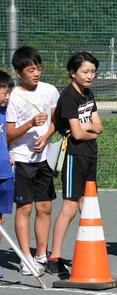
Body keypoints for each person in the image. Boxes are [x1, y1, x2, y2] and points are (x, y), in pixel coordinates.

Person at [46, 52, 104, 275]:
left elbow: (98, 126)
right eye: (85, 72)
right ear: (73, 72)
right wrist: (90, 129)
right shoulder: (69, 96)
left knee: (88, 206)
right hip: (73, 156)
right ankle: (55, 257)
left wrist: (87, 127)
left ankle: (88, 251)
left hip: (90, 156)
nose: (90, 76)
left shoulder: (88, 94)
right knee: (69, 207)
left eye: (93, 72)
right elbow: (78, 135)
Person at [6, 46, 60, 276]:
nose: (36, 73)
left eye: (38, 68)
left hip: (44, 158)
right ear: (19, 73)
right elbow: (8, 134)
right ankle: (25, 258)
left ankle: (41, 254)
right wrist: (30, 125)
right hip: (21, 160)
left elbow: (56, 121)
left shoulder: (49, 90)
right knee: (25, 208)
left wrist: (47, 136)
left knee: (45, 208)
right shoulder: (13, 97)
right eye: (30, 70)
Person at [0, 71, 15, 278]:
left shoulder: (6, 113)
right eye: (4, 92)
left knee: (0, 222)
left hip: (5, 174)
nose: (7, 97)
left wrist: (9, 154)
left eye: (8, 92)